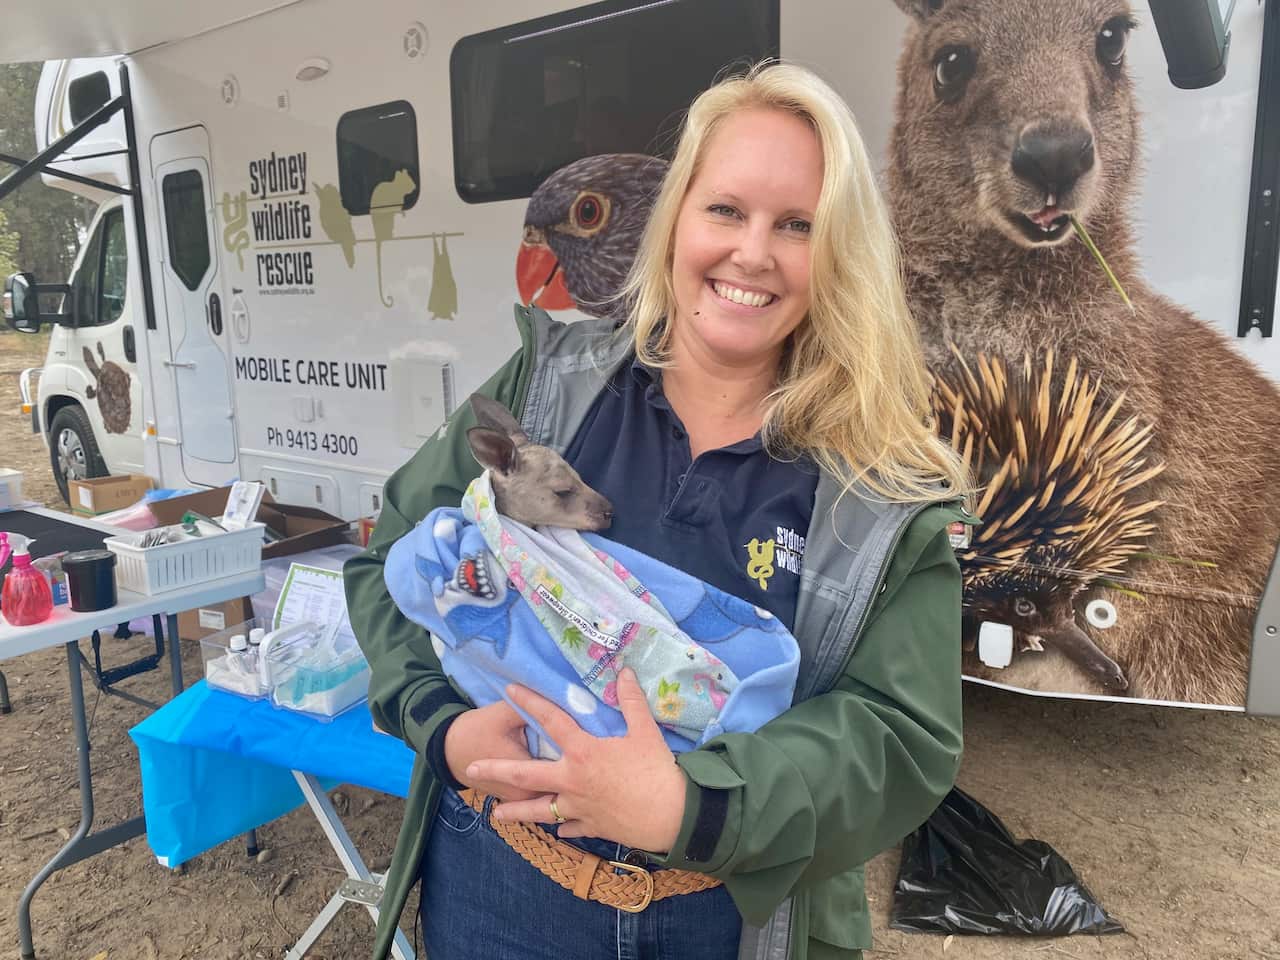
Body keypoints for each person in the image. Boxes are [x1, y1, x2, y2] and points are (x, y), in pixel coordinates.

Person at [345, 60, 972, 960]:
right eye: (725, 209)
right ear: (676, 216)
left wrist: (696, 806)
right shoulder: (547, 390)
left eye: (796, 224)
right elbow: (392, 557)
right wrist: (438, 725)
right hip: (500, 887)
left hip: (729, 917)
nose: (752, 252)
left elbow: (897, 737)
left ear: (838, 252)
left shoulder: (881, 484)